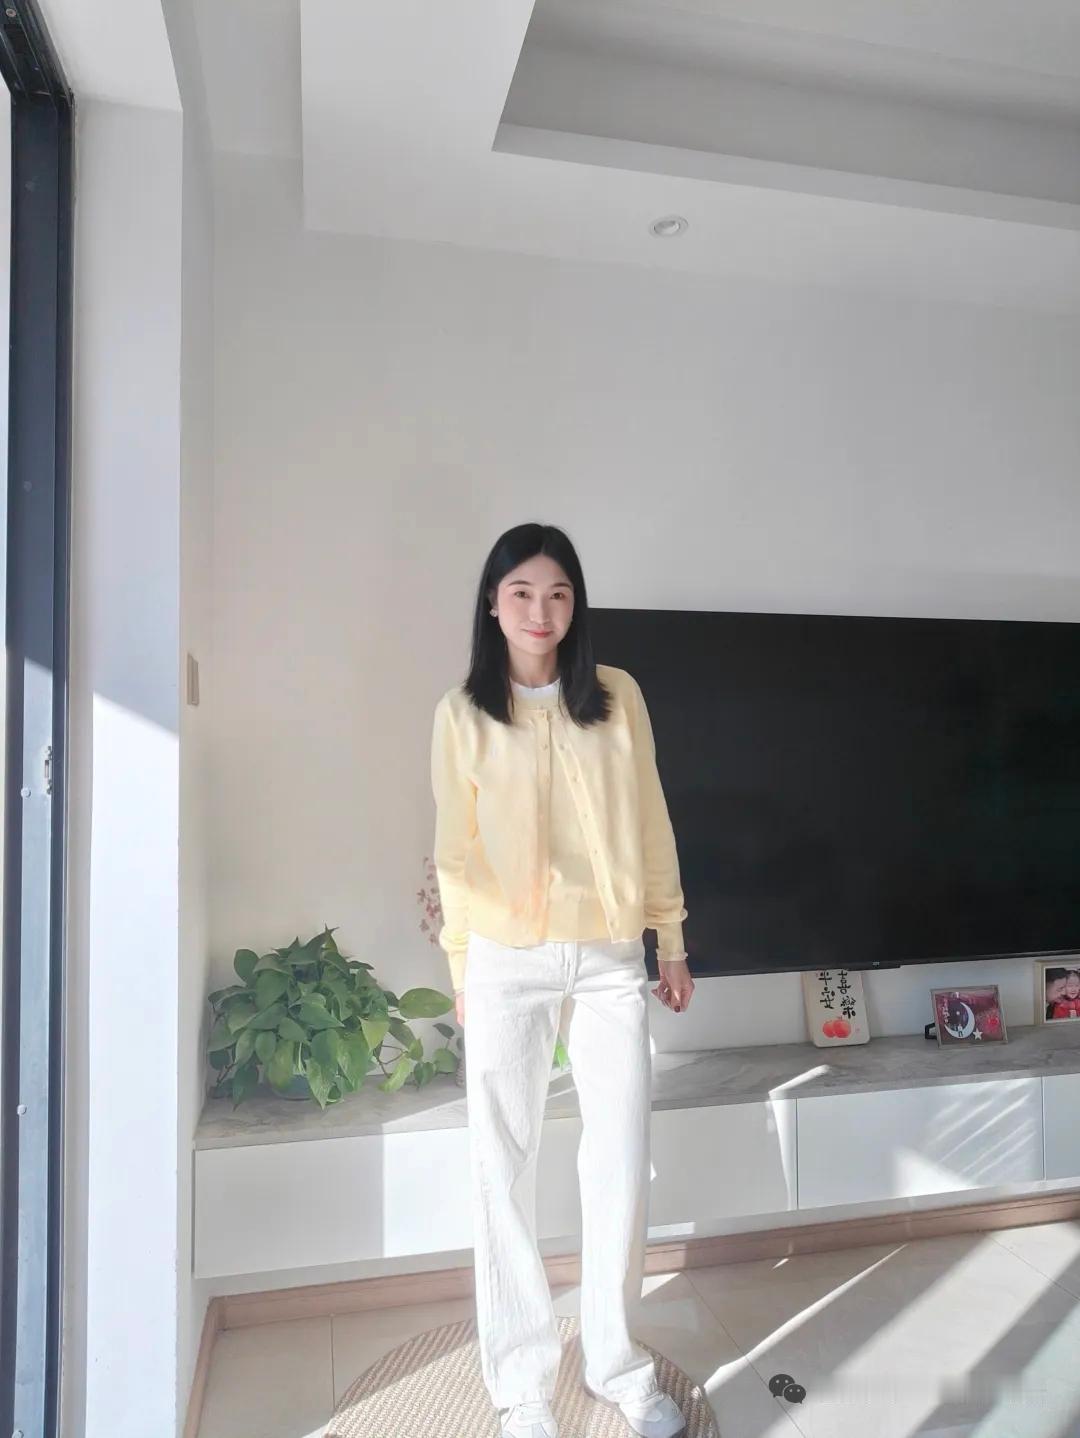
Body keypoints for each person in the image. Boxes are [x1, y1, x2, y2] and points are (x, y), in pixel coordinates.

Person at [430, 522, 694, 1438]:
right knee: (501, 1165)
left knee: (619, 1155)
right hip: (506, 959)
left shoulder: (617, 698)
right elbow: (454, 852)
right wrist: (461, 967)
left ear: (575, 605)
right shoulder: (462, 714)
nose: (540, 612)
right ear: (492, 603)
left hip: (610, 956)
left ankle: (617, 1364)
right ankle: (521, 1384)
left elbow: (652, 816)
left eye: (557, 594)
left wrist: (670, 937)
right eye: (522, 593)